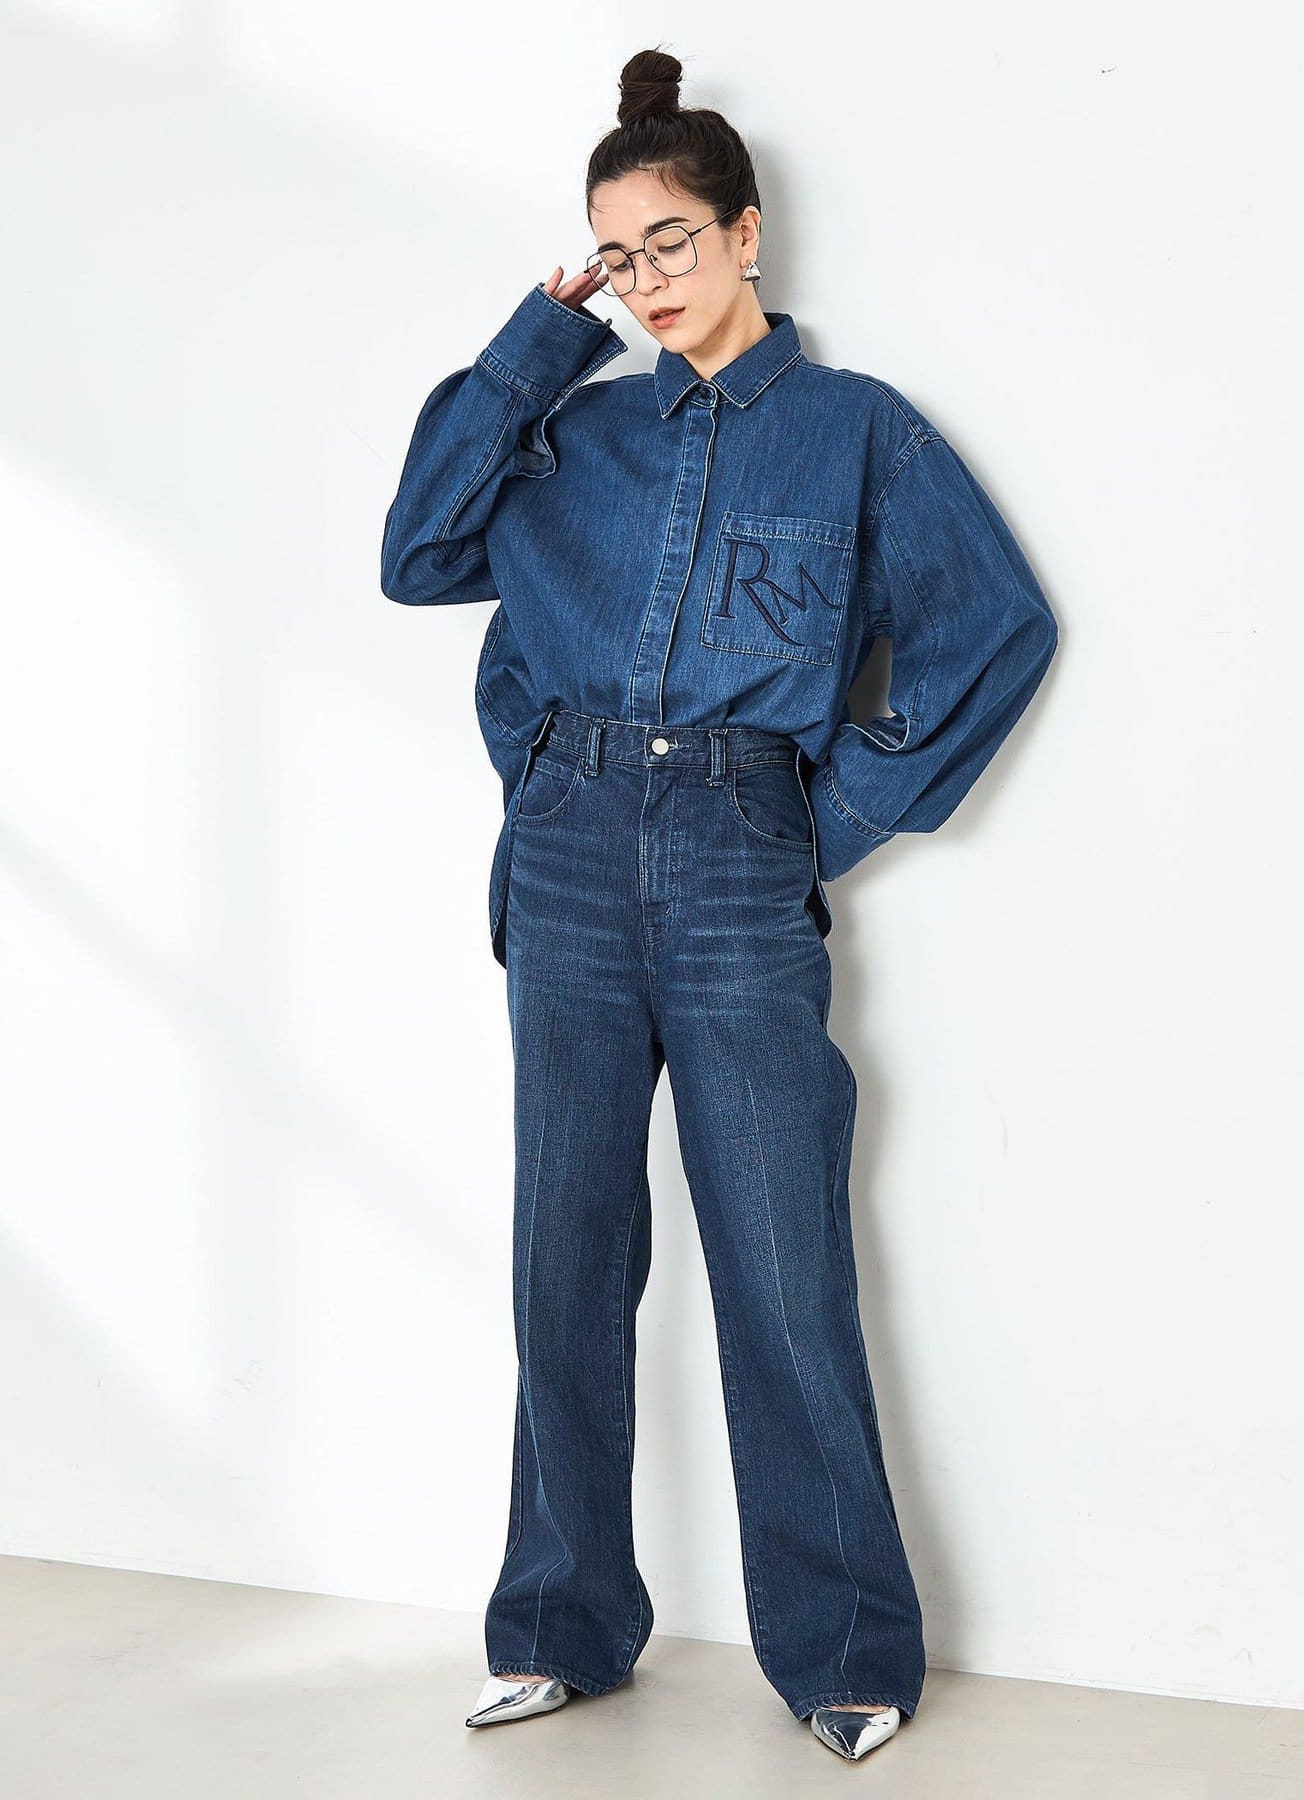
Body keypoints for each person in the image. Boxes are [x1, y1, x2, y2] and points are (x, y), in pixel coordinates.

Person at [380, 47, 1059, 1765]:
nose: (649, 282)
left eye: (671, 242)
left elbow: (996, 628)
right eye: (618, 257)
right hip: (569, 855)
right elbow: (416, 552)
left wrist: (819, 815)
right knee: (565, 1254)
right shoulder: (573, 429)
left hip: (742, 860)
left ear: (749, 232)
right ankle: (559, 1627)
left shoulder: (858, 433)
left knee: (780, 1259)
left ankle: (844, 1654)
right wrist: (539, 342)